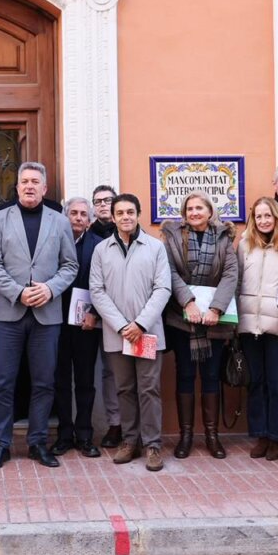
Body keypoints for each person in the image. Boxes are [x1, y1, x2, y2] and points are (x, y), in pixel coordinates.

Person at [0, 162, 79, 470]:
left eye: (35, 181)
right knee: (2, 382)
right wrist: (18, 292)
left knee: (44, 382)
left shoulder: (60, 221)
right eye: (24, 181)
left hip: (47, 314)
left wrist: (50, 290)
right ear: (17, 186)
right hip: (7, 313)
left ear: (44, 188)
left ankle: (37, 443)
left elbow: (70, 266)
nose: (29, 186)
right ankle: (1, 444)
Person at [89, 193, 172, 471]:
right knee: (124, 388)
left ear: (138, 214)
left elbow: (163, 289)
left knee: (149, 389)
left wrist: (140, 324)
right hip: (117, 333)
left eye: (130, 212)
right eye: (120, 213)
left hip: (146, 332)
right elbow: (97, 291)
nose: (125, 217)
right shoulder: (101, 250)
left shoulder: (156, 247)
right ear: (112, 218)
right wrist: (122, 325)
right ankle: (129, 441)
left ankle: (153, 445)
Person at [160, 191, 237, 459]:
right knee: (185, 376)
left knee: (211, 375)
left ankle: (212, 436)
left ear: (209, 211)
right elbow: (168, 271)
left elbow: (230, 273)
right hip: (183, 319)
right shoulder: (171, 236)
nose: (194, 212)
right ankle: (186, 436)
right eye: (189, 208)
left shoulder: (225, 236)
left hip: (214, 321)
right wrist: (188, 303)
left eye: (199, 208)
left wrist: (216, 308)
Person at [236, 196, 278, 462]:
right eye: (259, 216)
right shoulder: (245, 244)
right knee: (255, 382)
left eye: (268, 216)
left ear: (277, 217)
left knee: (277, 384)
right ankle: (260, 433)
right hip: (248, 325)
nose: (263, 221)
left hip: (277, 326)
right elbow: (236, 281)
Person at [52, 196, 104, 458]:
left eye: (84, 214)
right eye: (73, 212)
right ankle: (63, 435)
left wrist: (94, 313)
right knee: (60, 381)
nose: (79, 218)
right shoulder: (52, 241)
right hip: (55, 322)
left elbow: (106, 284)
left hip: (87, 324)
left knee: (85, 381)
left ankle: (84, 435)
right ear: (64, 215)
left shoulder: (99, 246)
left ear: (91, 219)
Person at [90, 184, 123, 448]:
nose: (102, 205)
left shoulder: (133, 234)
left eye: (107, 200)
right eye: (98, 201)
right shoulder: (88, 237)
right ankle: (116, 424)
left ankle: (138, 425)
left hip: (134, 317)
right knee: (110, 372)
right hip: (100, 316)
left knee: (139, 374)